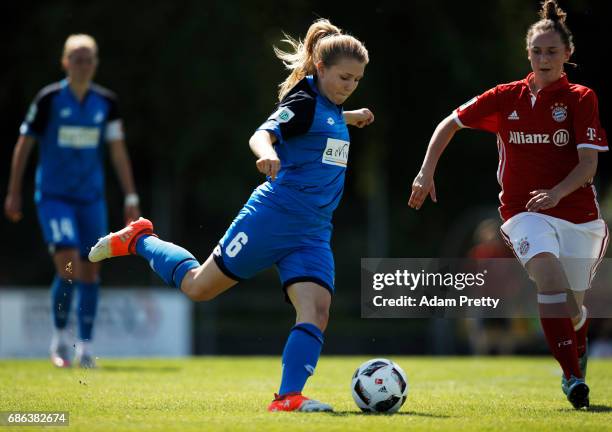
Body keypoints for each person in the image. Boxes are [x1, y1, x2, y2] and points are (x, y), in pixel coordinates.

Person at [88, 19, 373, 412]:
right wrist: (267, 153)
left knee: (317, 310)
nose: (349, 86)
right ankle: (139, 239)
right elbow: (263, 133)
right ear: (320, 69)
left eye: (357, 80)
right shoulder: (303, 102)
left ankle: (288, 398)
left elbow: (323, 123)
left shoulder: (327, 108)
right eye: (344, 77)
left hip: (312, 232)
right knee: (198, 288)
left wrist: (351, 114)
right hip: (271, 219)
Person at [408, 0, 608, 409]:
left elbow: (589, 165)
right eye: (537, 51)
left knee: (571, 307)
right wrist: (426, 172)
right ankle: (572, 377)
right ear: (527, 53)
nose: (544, 58)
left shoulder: (580, 97)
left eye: (552, 51)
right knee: (547, 280)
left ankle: (578, 331)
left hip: (578, 217)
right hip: (522, 211)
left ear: (567, 54)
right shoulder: (506, 97)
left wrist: (557, 192)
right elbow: (450, 123)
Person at [4, 34, 140, 368]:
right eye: (77, 59)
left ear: (95, 64)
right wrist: (14, 190)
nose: (83, 64)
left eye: (89, 59)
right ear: (65, 62)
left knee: (91, 270)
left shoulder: (106, 103)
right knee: (67, 264)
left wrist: (130, 195)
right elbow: (24, 143)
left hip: (90, 199)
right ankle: (61, 340)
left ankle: (86, 347)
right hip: (54, 197)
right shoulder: (49, 99)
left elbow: (118, 150)